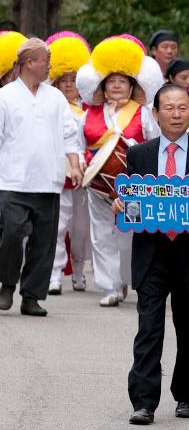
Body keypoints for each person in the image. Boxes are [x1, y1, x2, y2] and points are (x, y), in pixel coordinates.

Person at [114, 82, 189, 424]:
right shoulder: (139, 155)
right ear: (156, 113)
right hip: (152, 253)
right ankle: (144, 402)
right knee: (148, 327)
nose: (176, 114)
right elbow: (129, 201)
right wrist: (122, 205)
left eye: (183, 108)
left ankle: (185, 394)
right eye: (169, 108)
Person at [0, 40, 84, 316]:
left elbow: (70, 134)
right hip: (12, 180)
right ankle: (7, 284)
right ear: (29, 63)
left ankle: (32, 296)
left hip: (49, 181)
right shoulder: (6, 96)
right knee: (11, 235)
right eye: (45, 59)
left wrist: (74, 165)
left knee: (44, 242)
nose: (49, 64)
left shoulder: (55, 98)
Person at [76, 35, 161, 308]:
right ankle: (109, 286)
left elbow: (155, 144)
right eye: (111, 81)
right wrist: (80, 163)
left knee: (129, 237)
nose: (116, 86)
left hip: (132, 186)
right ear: (103, 85)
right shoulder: (88, 114)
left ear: (132, 85)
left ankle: (127, 280)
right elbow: (78, 145)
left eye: (122, 81)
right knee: (101, 236)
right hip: (98, 186)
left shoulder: (144, 113)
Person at [45, 31, 92, 295]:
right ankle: (54, 275)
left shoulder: (90, 110)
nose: (68, 85)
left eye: (74, 80)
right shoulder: (50, 106)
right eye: (63, 80)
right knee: (58, 225)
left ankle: (78, 271)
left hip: (86, 175)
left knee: (81, 229)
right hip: (57, 173)